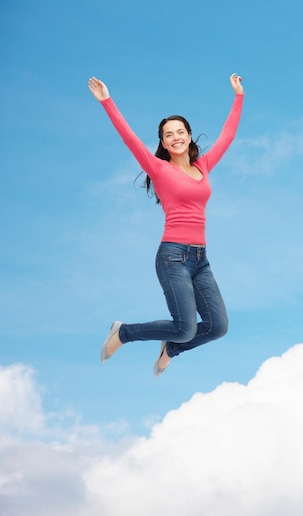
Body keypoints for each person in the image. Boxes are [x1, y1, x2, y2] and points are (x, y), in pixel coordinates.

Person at [88, 73, 244, 376]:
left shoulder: (203, 166)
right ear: (162, 141)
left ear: (189, 135)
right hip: (173, 257)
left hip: (201, 259)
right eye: (168, 134)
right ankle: (123, 332)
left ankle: (171, 348)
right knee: (184, 327)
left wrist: (238, 96)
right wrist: (107, 101)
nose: (175, 137)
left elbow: (227, 136)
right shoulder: (158, 169)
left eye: (180, 131)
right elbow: (129, 138)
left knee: (217, 327)